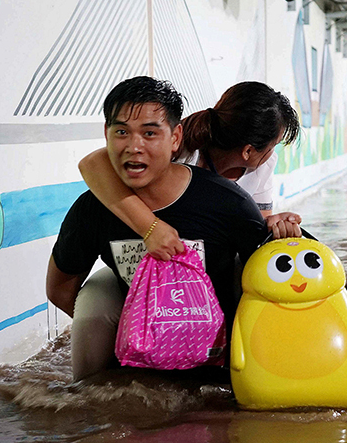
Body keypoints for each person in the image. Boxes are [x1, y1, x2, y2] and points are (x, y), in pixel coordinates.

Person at [46, 77, 269, 381]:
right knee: (93, 305)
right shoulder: (93, 209)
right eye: (121, 132)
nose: (134, 147)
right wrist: (139, 329)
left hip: (214, 364)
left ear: (176, 137)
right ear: (106, 135)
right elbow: (61, 288)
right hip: (138, 363)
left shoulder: (227, 203)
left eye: (150, 133)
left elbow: (273, 276)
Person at [79, 82, 303, 261]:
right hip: (151, 257)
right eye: (273, 145)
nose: (272, 153)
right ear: (248, 151)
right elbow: (92, 164)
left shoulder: (263, 165)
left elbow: (254, 227)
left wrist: (275, 224)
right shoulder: (181, 148)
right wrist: (151, 228)